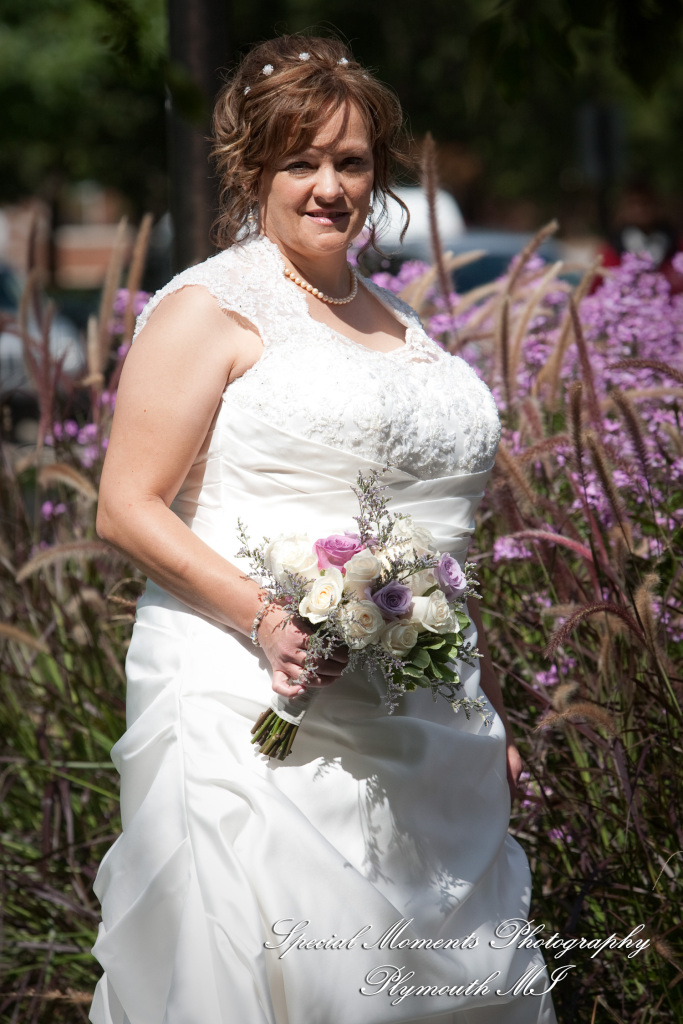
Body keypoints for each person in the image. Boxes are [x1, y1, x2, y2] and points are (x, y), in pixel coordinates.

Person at [91, 35, 557, 1024]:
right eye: (299, 161)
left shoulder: (397, 325)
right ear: (251, 170)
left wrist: (479, 703)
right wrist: (266, 617)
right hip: (242, 695)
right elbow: (125, 504)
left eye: (349, 161)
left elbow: (431, 548)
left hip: (421, 720)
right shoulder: (210, 308)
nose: (327, 186)